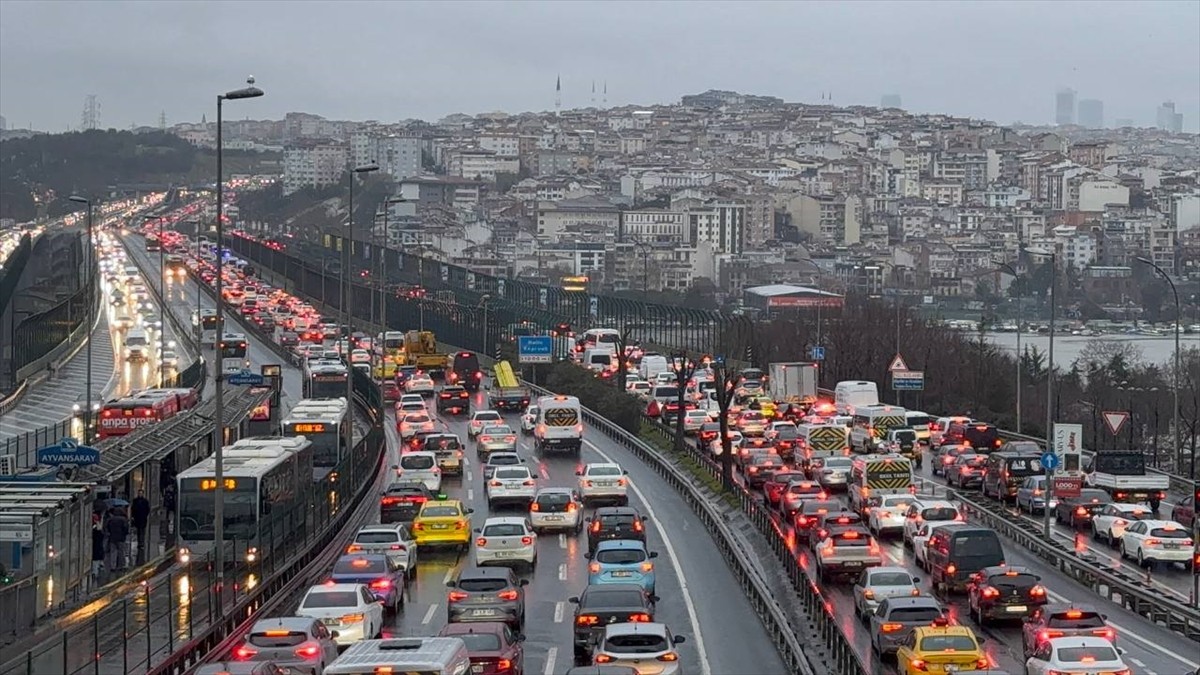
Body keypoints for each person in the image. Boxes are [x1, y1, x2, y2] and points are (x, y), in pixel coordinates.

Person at [104, 507, 130, 573]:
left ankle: (113, 566)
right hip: (121, 538)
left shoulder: (110, 519)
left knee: (113, 552)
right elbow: (126, 529)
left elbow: (107, 528)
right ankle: (121, 566)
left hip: (112, 538)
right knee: (121, 552)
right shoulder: (124, 520)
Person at [131, 490, 151, 564]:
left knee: (142, 530)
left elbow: (147, 509)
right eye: (139, 493)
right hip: (137, 518)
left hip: (143, 518)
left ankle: (141, 541)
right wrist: (133, 516)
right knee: (139, 530)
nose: (140, 494)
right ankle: (140, 541)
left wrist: (145, 515)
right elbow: (133, 509)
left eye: (141, 493)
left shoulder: (145, 501)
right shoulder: (135, 501)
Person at [91, 514, 106, 585]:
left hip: (94, 550)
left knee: (95, 563)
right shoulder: (98, 529)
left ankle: (94, 573)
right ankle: (95, 573)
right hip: (97, 550)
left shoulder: (92, 529)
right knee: (95, 563)